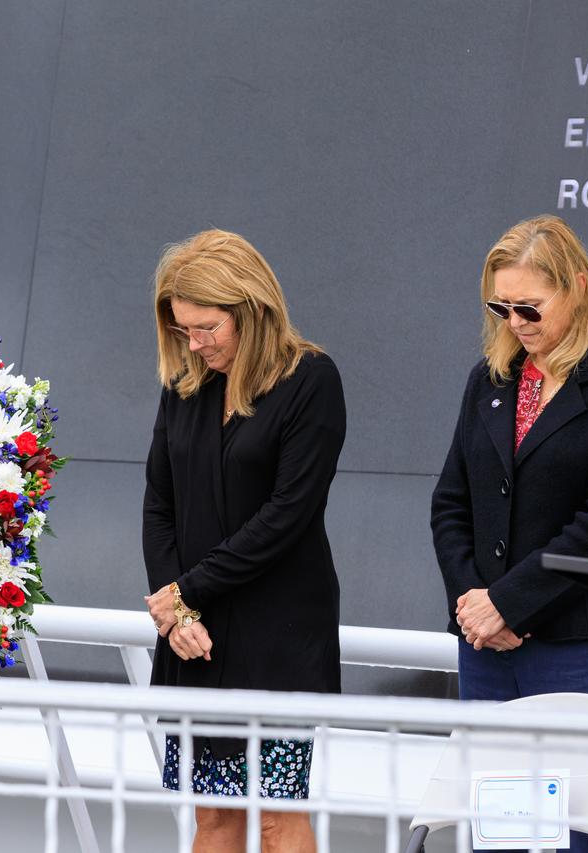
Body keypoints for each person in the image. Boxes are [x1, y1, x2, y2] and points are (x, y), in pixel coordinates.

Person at [430, 214, 588, 851]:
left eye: (529, 308)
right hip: (486, 651)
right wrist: (475, 605)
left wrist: (509, 603)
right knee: (499, 838)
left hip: (580, 648)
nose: (515, 324)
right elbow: (451, 503)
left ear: (579, 288)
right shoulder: (490, 379)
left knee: (578, 840)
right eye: (500, 308)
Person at [142, 229, 346, 853]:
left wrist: (185, 592)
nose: (195, 343)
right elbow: (159, 504)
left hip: (277, 635)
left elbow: (287, 515)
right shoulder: (184, 385)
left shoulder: (311, 380)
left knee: (279, 817)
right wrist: (174, 609)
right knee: (213, 818)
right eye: (183, 330)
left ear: (251, 310)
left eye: (207, 328)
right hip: (194, 635)